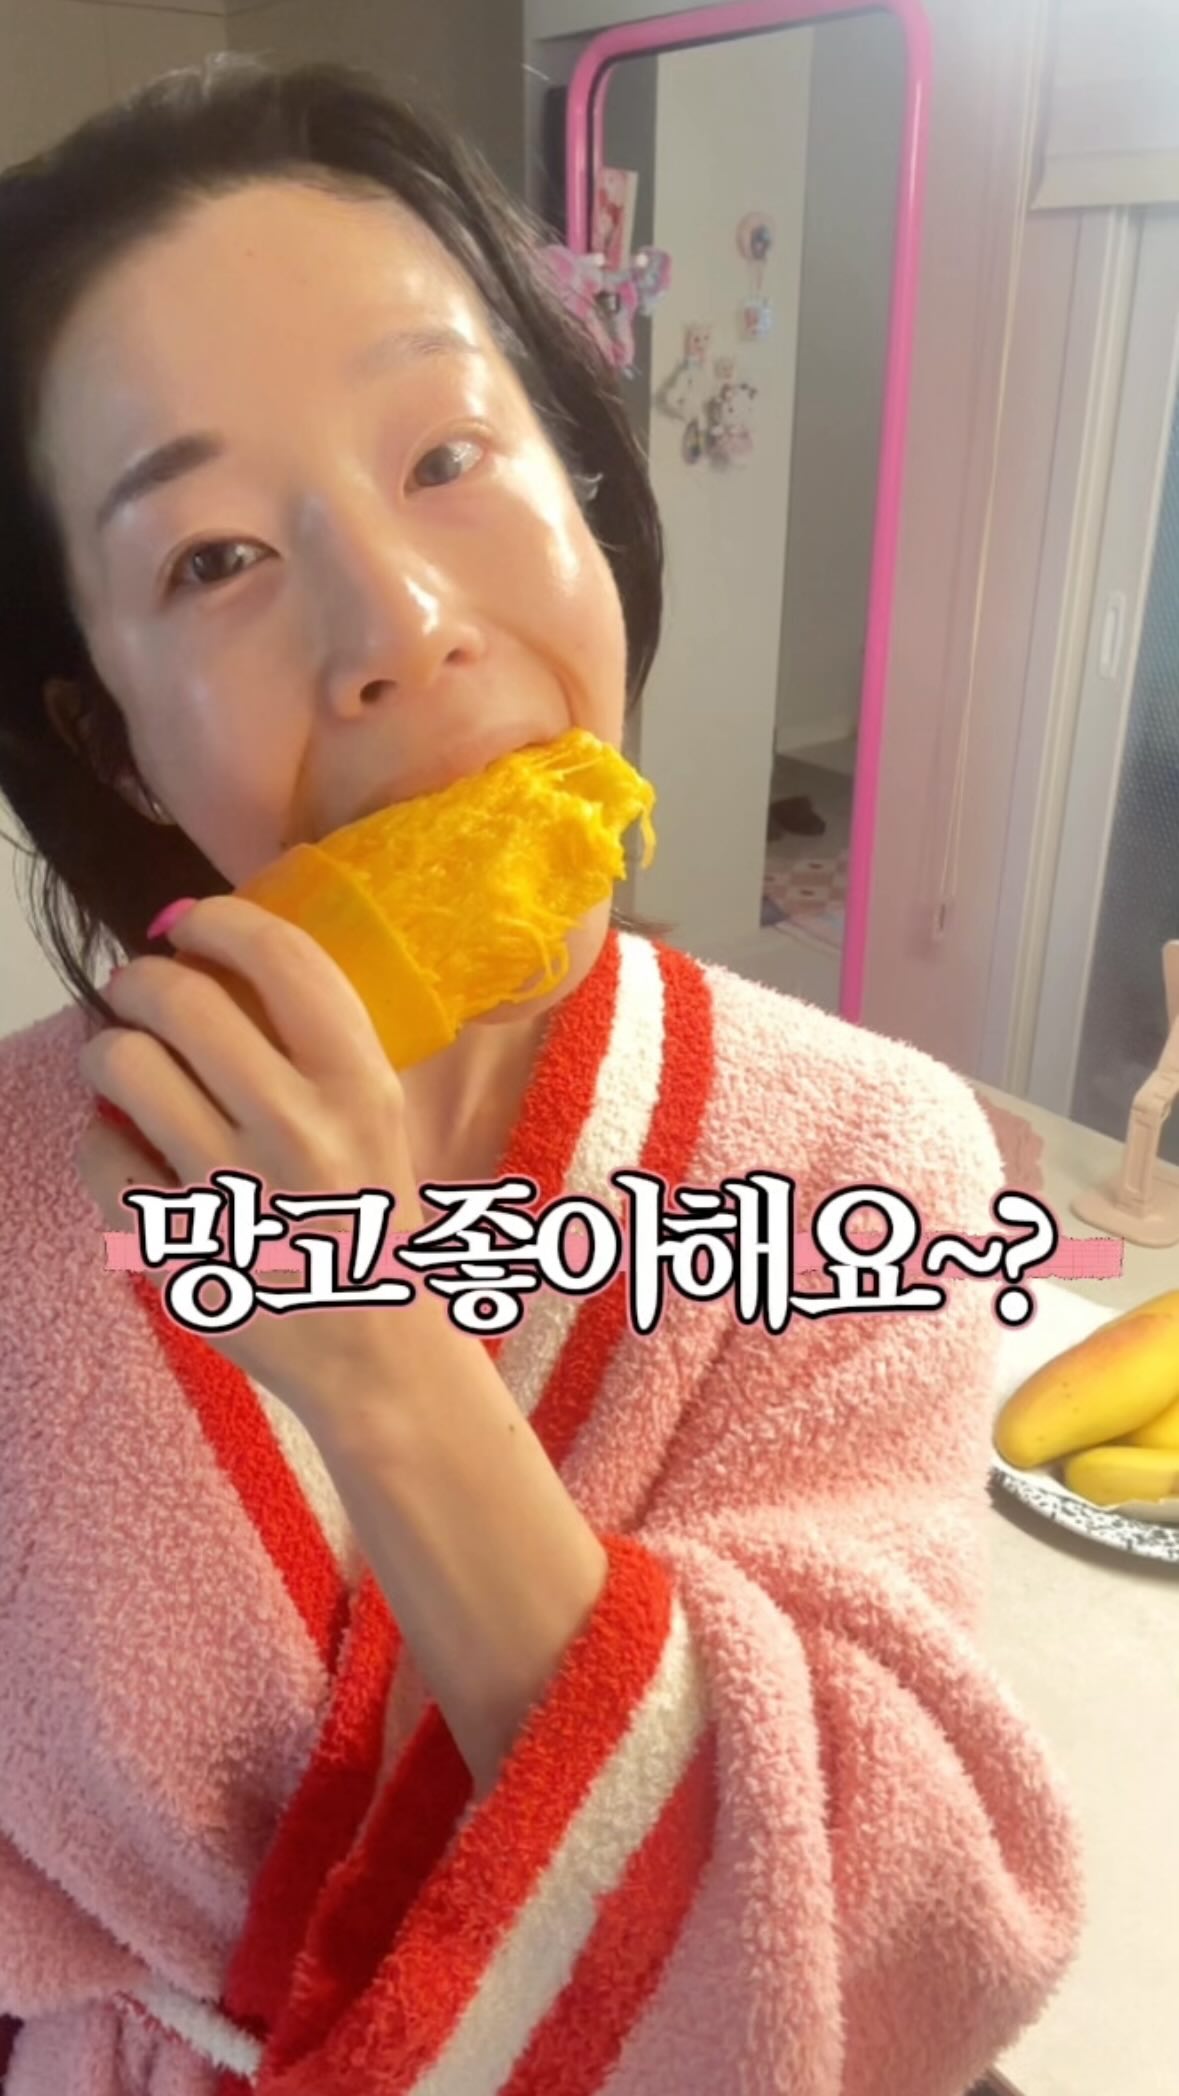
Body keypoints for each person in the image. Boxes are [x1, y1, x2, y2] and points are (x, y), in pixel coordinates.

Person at [0, 54, 1083, 2096]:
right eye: (211, 559)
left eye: (447, 454)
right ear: (108, 733)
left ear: (587, 489)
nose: (400, 624)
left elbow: (890, 1959)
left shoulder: (861, 1164)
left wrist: (379, 1358)